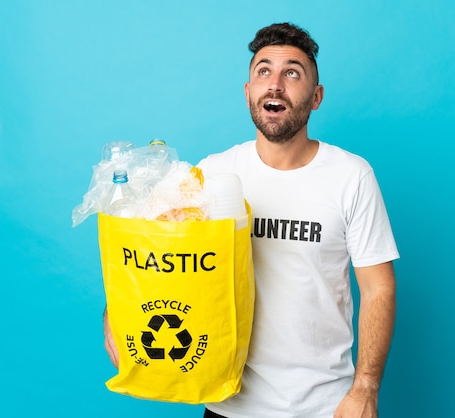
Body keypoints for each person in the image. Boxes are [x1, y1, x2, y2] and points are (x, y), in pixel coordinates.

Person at [104, 22, 399, 418]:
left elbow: (378, 288)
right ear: (248, 94)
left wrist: (365, 388)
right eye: (263, 71)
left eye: (292, 72)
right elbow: (158, 259)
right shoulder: (211, 175)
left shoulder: (351, 176)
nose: (275, 84)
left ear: (316, 97)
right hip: (229, 404)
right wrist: (118, 314)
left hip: (324, 407)